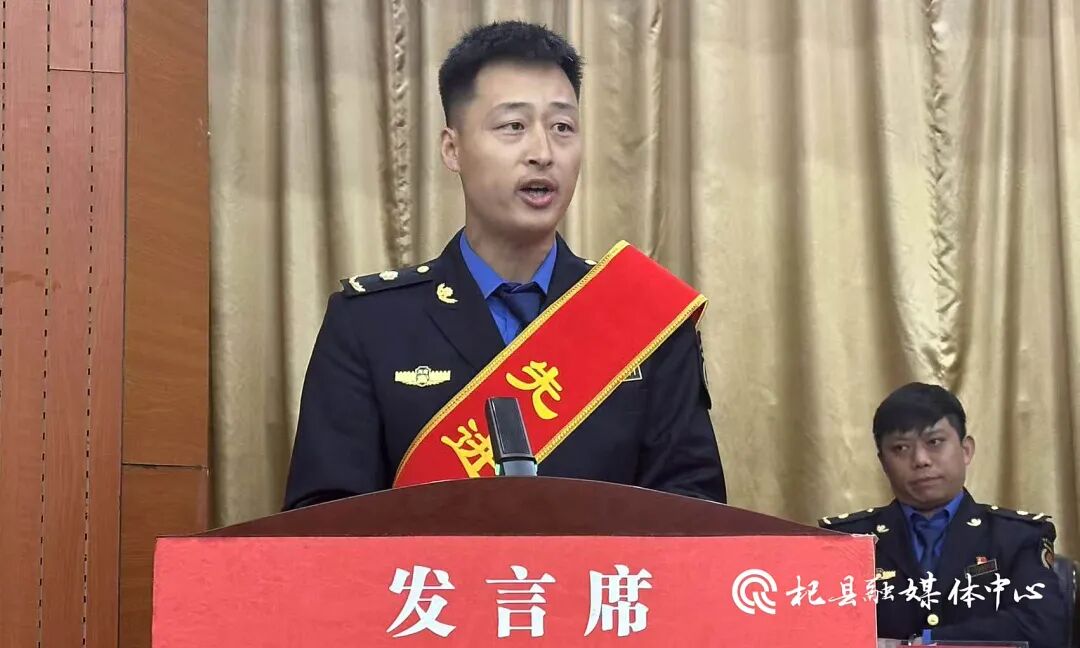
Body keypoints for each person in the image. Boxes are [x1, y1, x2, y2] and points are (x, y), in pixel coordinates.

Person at [282, 21, 725, 510]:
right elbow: (322, 526)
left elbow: (694, 517)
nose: (543, 153)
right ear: (453, 149)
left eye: (562, 127)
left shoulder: (644, 321)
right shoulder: (370, 323)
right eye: (513, 126)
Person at [820, 382, 1065, 647]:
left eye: (934, 442)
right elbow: (819, 630)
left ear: (966, 450)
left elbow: (1042, 627)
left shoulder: (1016, 537)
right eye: (901, 448)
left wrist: (929, 641)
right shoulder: (844, 542)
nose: (921, 460)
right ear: (883, 463)